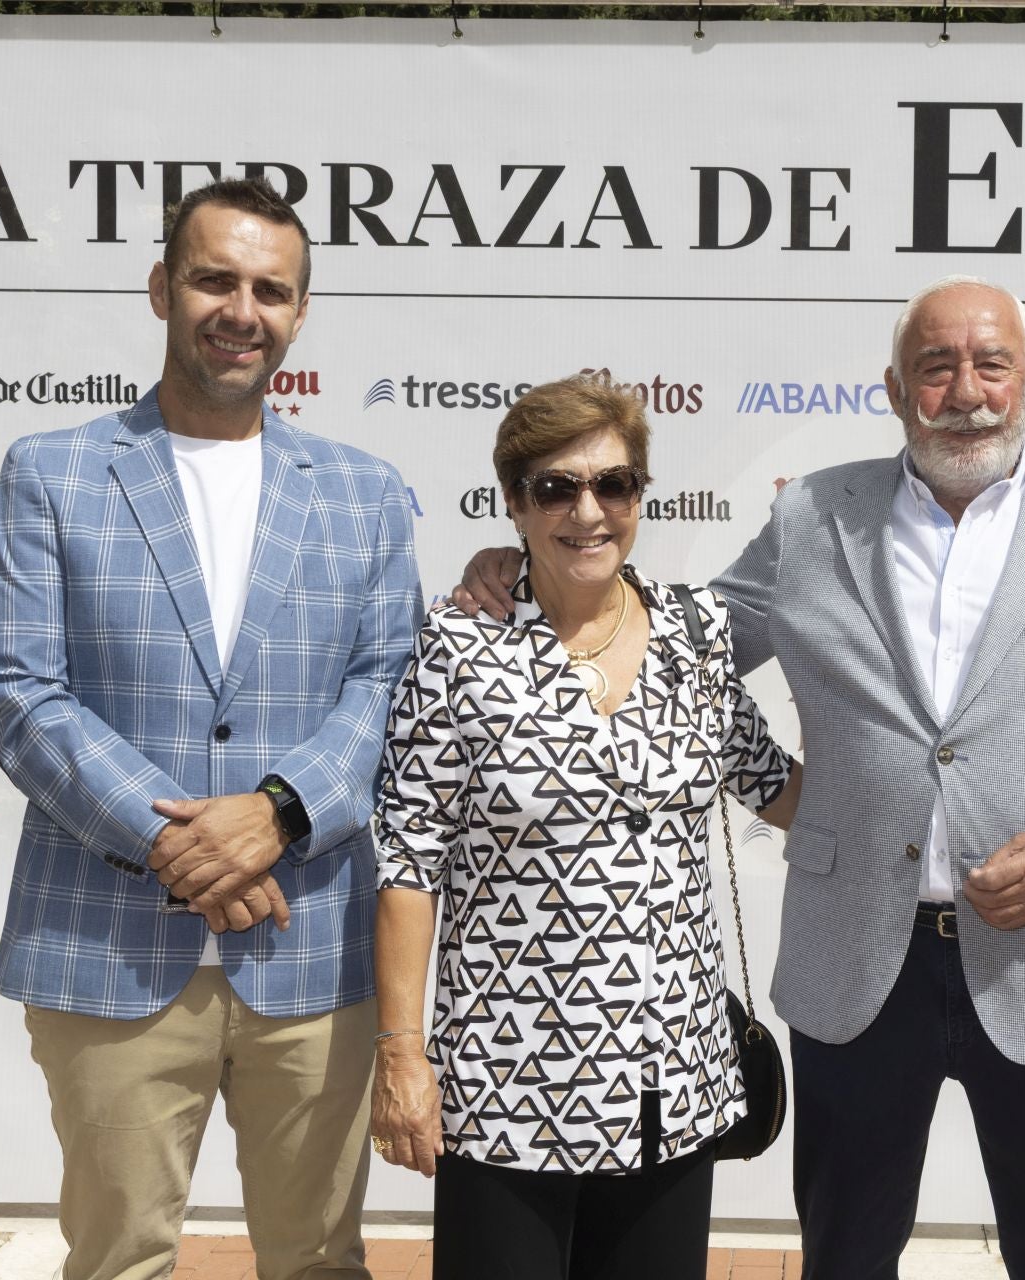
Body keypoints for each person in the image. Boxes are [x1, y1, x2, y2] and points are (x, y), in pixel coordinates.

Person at [455, 278, 1025, 1280]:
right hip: (861, 961)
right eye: (936, 366)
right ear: (896, 387)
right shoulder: (817, 513)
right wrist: (528, 569)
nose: (965, 389)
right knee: (843, 1257)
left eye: (990, 363)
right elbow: (678, 639)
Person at [0, 176, 422, 1280]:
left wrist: (276, 813)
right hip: (107, 941)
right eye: (215, 278)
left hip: (311, 945)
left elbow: (387, 684)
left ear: (300, 314)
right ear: (163, 287)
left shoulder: (364, 492)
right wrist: (176, 842)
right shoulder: (54, 472)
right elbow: (18, 687)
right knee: (119, 1258)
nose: (241, 308)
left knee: (320, 1260)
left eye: (270, 288)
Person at [369, 375, 803, 1280]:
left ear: (641, 495)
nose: (588, 511)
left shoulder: (698, 633)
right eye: (556, 488)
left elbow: (770, 783)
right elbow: (408, 864)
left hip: (673, 1082)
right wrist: (403, 1057)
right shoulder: (458, 649)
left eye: (614, 484)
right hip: (509, 1085)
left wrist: (938, 801)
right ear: (515, 503)